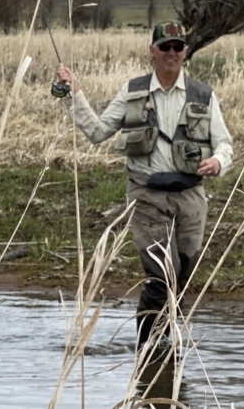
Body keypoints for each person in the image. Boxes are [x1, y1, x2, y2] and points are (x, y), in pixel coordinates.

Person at [55, 22, 234, 353]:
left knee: (181, 276)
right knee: (160, 275)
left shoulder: (204, 95)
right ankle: (147, 349)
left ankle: (162, 341)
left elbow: (224, 143)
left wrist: (218, 162)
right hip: (146, 194)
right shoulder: (131, 91)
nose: (171, 53)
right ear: (152, 51)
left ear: (185, 53)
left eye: (177, 47)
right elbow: (97, 132)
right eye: (164, 47)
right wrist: (73, 94)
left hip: (191, 196)